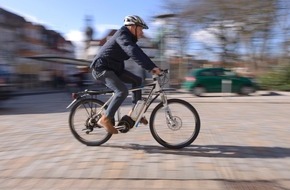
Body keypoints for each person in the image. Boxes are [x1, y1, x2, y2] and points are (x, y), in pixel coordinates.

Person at [90, 15, 161, 134]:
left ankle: (135, 113)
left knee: (137, 81)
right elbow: (132, 51)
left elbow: (139, 53)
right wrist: (151, 68)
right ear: (133, 27)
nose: (142, 32)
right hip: (102, 68)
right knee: (122, 91)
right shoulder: (122, 35)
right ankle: (105, 119)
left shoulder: (130, 39)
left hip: (114, 68)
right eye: (141, 29)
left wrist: (153, 66)